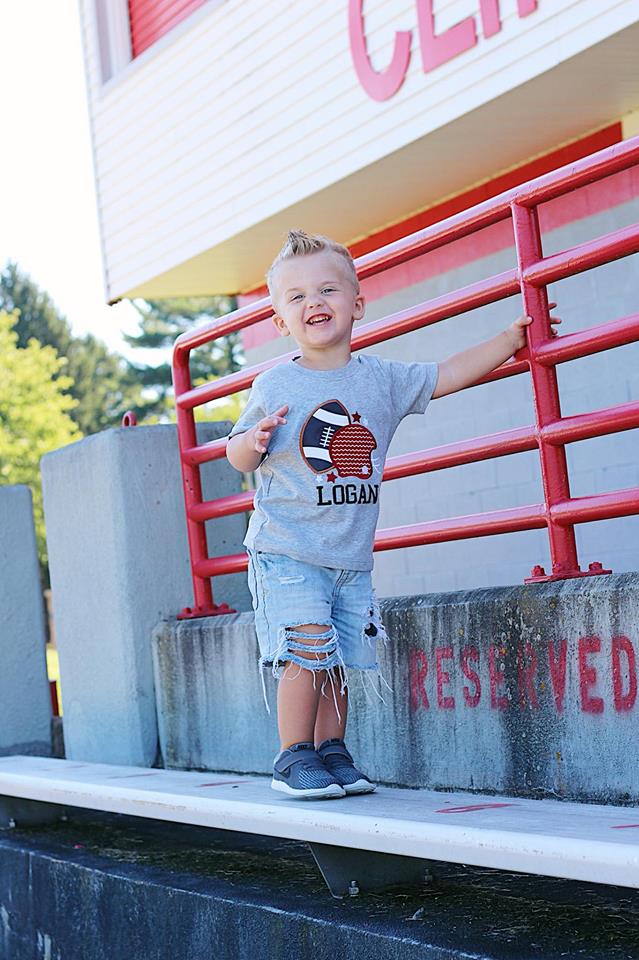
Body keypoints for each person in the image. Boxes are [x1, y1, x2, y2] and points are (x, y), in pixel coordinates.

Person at [226, 229, 560, 801]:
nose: (315, 303)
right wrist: (252, 442)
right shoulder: (276, 382)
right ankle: (292, 756)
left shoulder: (381, 379)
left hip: (348, 555)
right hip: (286, 548)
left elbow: (447, 374)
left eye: (328, 289)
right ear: (280, 320)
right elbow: (234, 450)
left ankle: (332, 749)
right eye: (297, 297)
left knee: (341, 656)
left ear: (357, 303)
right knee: (307, 646)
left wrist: (509, 339)